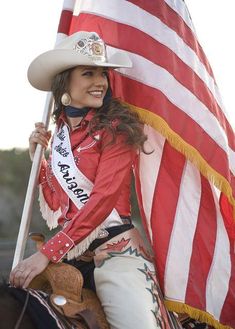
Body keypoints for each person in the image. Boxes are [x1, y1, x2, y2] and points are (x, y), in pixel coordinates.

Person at [9, 31, 171, 329]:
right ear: (64, 81)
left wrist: (46, 253)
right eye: (88, 73)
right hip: (69, 255)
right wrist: (40, 159)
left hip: (117, 252)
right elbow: (57, 204)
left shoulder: (118, 128)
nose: (100, 82)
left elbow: (102, 200)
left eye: (103, 74)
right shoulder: (58, 134)